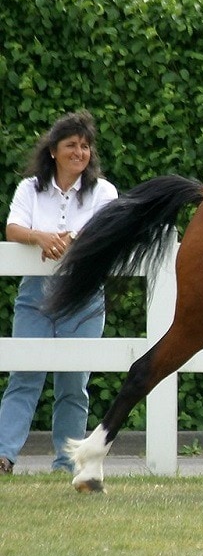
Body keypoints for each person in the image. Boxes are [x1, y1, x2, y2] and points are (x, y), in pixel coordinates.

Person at [0, 110, 118, 475]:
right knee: (25, 376)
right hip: (36, 294)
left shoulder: (103, 191)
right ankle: (4, 456)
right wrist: (40, 236)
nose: (79, 152)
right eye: (71, 145)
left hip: (83, 295)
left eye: (85, 146)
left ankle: (66, 464)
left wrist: (71, 239)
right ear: (53, 150)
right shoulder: (30, 188)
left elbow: (108, 230)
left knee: (73, 383)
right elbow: (13, 228)